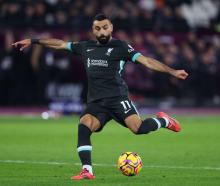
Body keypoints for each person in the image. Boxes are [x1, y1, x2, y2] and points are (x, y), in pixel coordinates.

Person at [12, 13, 188, 180]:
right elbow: (60, 44)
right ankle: (87, 171)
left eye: (105, 27)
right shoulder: (86, 47)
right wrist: (33, 41)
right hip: (96, 103)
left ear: (111, 27)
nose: (102, 31)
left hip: (118, 99)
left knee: (138, 128)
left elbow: (147, 61)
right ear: (93, 30)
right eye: (98, 28)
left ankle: (164, 121)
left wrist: (172, 72)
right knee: (84, 124)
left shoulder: (121, 47)